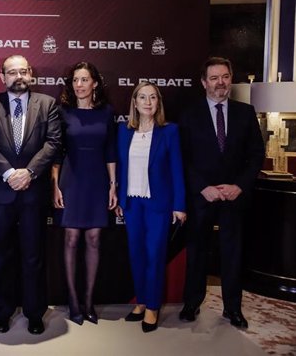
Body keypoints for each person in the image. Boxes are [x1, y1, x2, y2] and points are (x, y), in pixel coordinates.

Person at [0, 55, 61, 335]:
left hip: (33, 193)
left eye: (22, 71)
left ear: (31, 73)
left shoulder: (47, 104)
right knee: (1, 256)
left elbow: (53, 143)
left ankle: (34, 312)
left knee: (33, 256)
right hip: (2, 193)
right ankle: (3, 312)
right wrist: (9, 173)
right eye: (12, 72)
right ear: (3, 77)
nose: (18, 76)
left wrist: (30, 172)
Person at [178, 57, 264, 329]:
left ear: (231, 79)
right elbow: (183, 157)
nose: (220, 82)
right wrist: (202, 187)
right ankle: (192, 304)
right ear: (204, 82)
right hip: (202, 197)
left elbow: (256, 154)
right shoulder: (189, 114)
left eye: (225, 76)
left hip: (234, 197)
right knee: (197, 252)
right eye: (214, 78)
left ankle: (233, 309)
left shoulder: (245, 112)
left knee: (232, 253)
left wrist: (239, 185)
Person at [116, 81, 186, 332]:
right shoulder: (124, 131)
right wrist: (119, 198)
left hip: (158, 204)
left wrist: (179, 205)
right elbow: (120, 168)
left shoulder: (169, 131)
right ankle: (142, 301)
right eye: (142, 97)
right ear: (134, 102)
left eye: (153, 97)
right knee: (136, 255)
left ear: (158, 103)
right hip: (132, 203)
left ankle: (153, 307)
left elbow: (177, 170)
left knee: (155, 255)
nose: (147, 102)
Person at [52, 61, 117, 326]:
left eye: (84, 80)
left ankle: (89, 301)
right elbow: (56, 152)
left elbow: (111, 150)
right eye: (75, 80)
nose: (79, 85)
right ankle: (73, 301)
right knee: (71, 238)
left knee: (93, 238)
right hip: (71, 177)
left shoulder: (106, 112)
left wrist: (113, 185)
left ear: (95, 83)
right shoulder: (62, 112)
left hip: (98, 179)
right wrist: (55, 185)